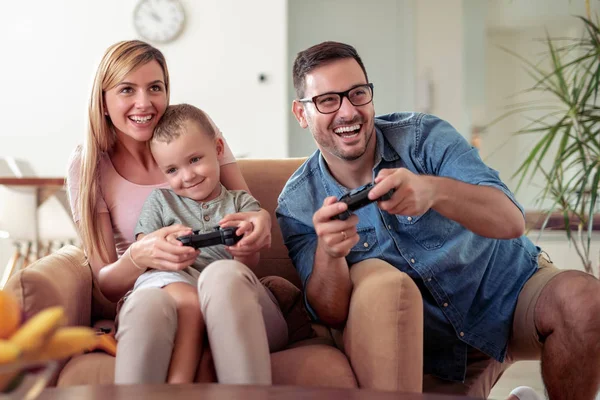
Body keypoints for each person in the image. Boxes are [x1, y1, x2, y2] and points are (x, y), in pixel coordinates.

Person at [276, 41, 600, 399]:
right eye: (327, 101)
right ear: (302, 113)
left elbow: (510, 221)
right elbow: (329, 313)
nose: (348, 111)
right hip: (431, 347)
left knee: (585, 302)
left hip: (508, 289)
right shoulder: (296, 203)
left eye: (357, 93)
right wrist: (330, 253)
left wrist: (433, 191)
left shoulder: (422, 137)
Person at [67, 40, 273, 384]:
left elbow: (244, 213)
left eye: (155, 88)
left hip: (229, 292)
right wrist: (138, 255)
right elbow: (106, 283)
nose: (144, 103)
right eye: (127, 90)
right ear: (102, 101)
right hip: (160, 293)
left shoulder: (196, 134)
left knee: (219, 278)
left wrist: (260, 221)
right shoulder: (89, 166)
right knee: (150, 304)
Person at [132, 103, 287, 384]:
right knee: (154, 295)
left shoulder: (240, 203)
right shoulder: (160, 202)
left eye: (194, 160)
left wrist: (244, 251)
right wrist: (166, 248)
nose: (187, 176)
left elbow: (249, 268)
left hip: (235, 300)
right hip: (181, 298)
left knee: (223, 275)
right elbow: (146, 252)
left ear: (217, 149)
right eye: (172, 170)